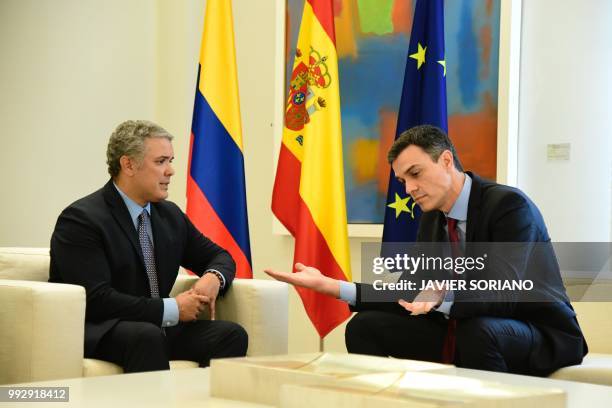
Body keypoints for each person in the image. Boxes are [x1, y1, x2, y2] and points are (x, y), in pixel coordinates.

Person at [265, 124, 586, 376]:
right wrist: (335, 287)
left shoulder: (508, 206)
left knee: (478, 330)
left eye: (415, 174)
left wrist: (442, 296)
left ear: (446, 160)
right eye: (402, 180)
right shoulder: (432, 219)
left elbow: (504, 293)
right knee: (365, 326)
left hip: (536, 332)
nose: (409, 189)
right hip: (465, 329)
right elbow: (409, 293)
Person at [50, 120, 248, 372]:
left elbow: (220, 256)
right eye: (161, 161)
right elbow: (97, 299)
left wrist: (213, 277)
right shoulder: (81, 219)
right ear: (128, 164)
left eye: (171, 160)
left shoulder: (169, 216)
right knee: (145, 335)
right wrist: (173, 308)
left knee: (230, 334)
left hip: (153, 327)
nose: (171, 170)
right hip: (103, 329)